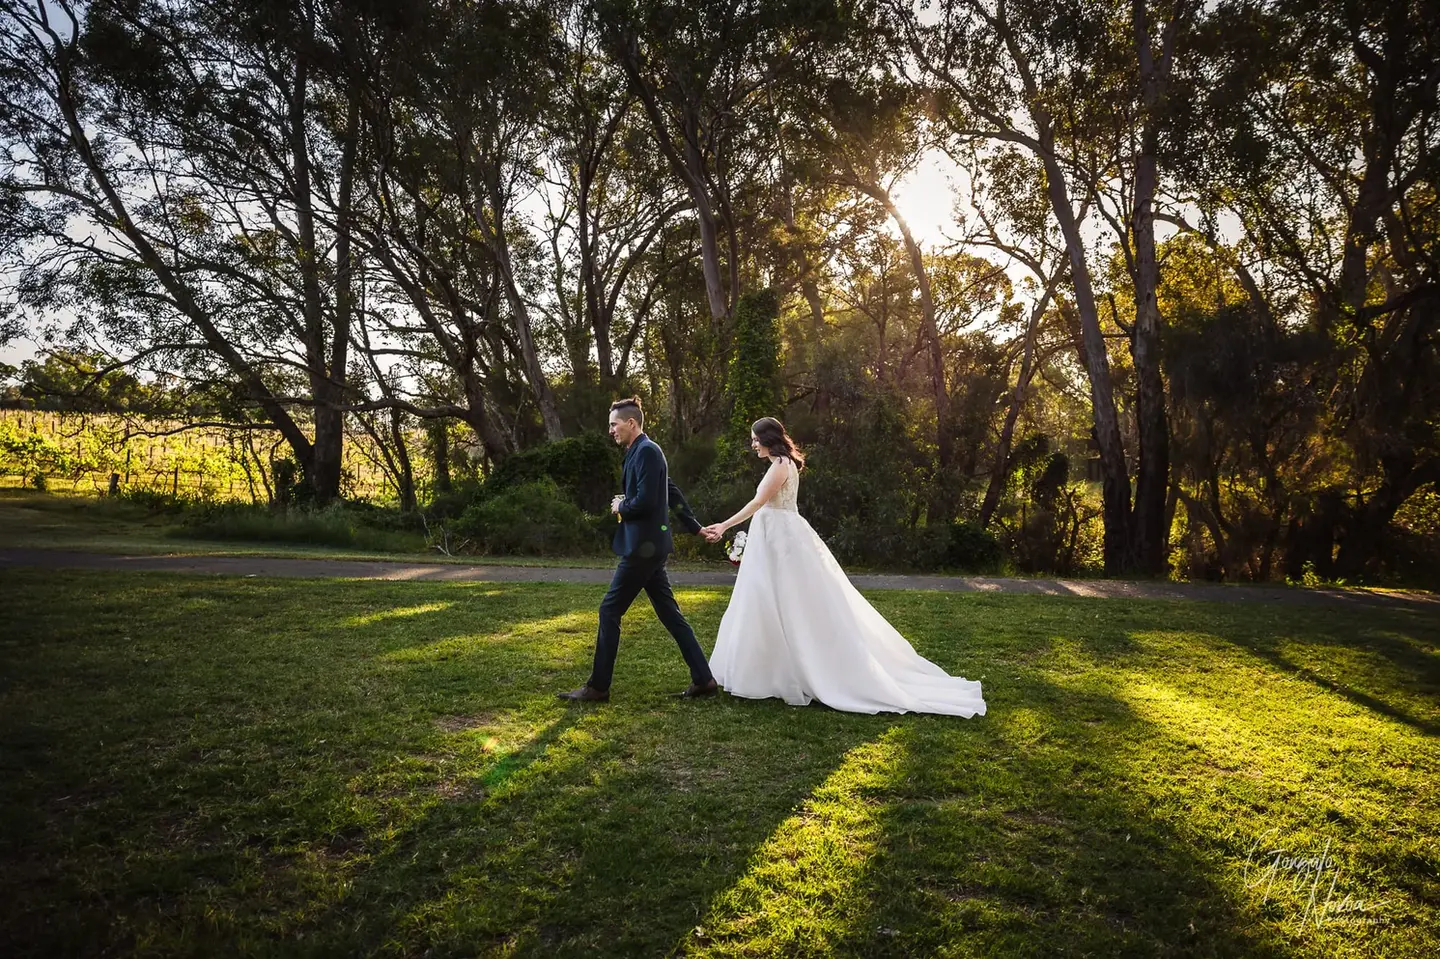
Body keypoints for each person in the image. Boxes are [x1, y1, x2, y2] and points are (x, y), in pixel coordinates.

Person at [700, 417, 986, 717]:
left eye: (756, 439)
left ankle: (792, 670)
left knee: (784, 601)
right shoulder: (784, 463)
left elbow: (759, 502)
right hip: (776, 536)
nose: (753, 444)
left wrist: (724, 525)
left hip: (779, 538)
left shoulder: (780, 465)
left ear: (768, 439)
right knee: (770, 601)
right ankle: (774, 670)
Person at [558, 397, 718, 702]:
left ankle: (598, 687)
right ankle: (704, 679)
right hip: (650, 547)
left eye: (614, 424)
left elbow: (645, 501)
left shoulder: (646, 451)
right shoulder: (641, 452)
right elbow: (670, 491)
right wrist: (695, 526)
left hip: (643, 548)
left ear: (631, 423)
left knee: (609, 610)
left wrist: (621, 505)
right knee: (670, 614)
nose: (610, 430)